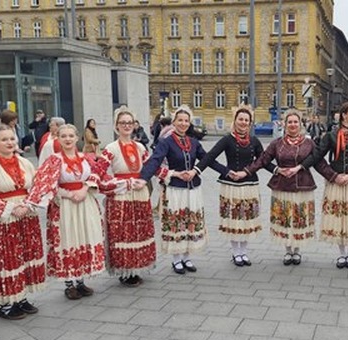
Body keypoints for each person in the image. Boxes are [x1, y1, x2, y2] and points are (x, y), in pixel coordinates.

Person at [25, 124, 122, 300]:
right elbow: (46, 184)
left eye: (71, 136)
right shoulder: (54, 160)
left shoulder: (86, 158)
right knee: (68, 239)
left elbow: (96, 176)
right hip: (65, 205)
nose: (68, 139)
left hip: (85, 202)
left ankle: (81, 281)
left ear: (77, 138)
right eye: (64, 136)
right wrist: (68, 194)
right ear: (58, 139)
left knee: (83, 237)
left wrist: (85, 189)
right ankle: (69, 283)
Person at [236, 109, 337, 266]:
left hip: (302, 185)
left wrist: (334, 177)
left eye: (295, 122)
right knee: (285, 218)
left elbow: (319, 163)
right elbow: (263, 160)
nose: (292, 125)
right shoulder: (277, 143)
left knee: (298, 218)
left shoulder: (309, 143)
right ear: (284, 124)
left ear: (300, 124)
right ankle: (287, 250)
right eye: (289, 122)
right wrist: (246, 172)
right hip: (282, 186)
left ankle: (297, 251)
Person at [139, 106, 225, 274]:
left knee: (189, 222)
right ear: (174, 122)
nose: (183, 123)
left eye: (186, 120)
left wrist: (228, 172)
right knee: (176, 223)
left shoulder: (193, 142)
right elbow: (155, 161)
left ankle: (187, 257)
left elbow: (208, 160)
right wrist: (143, 179)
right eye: (180, 120)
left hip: (192, 189)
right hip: (175, 188)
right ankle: (176, 259)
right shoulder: (166, 142)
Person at [0, 124, 45, 319]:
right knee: (7, 258)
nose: (9, 143)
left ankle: (21, 297)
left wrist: (28, 205)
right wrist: (11, 208)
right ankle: (6, 303)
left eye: (12, 139)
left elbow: (36, 187)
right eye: (4, 139)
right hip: (4, 219)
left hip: (25, 215)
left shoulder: (25, 162)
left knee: (24, 255)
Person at [299, 102, 348, 269]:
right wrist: (302, 167)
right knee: (339, 217)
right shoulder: (331, 135)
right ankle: (342, 254)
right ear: (344, 115)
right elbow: (317, 156)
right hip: (336, 180)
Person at [197, 105, 272, 266]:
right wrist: (223, 171)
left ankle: (243, 252)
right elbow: (209, 157)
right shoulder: (227, 139)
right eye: (241, 119)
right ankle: (235, 252)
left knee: (246, 218)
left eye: (246, 120)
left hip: (249, 183)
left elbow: (263, 160)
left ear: (250, 123)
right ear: (235, 121)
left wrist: (279, 170)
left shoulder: (254, 141)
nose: (243, 122)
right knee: (233, 218)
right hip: (231, 184)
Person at [101, 107, 156, 287]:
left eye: (129, 123)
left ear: (134, 126)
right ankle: (125, 271)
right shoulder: (111, 148)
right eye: (123, 123)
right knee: (123, 233)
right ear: (116, 126)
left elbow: (150, 166)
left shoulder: (139, 147)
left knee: (139, 231)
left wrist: (173, 174)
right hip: (122, 196)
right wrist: (117, 183)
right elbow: (99, 172)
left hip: (139, 194)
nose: (126, 126)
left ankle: (137, 266)